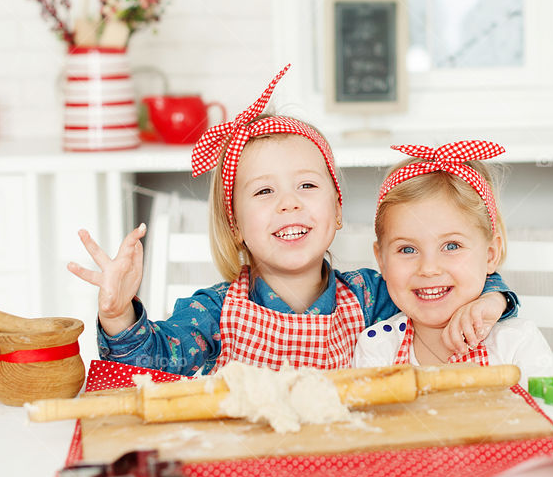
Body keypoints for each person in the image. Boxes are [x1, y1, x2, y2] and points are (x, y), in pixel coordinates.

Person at [67, 66, 520, 376]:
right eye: (264, 191)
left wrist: (492, 301)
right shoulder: (214, 311)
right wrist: (118, 314)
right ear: (236, 226)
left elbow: (445, 283)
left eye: (306, 186)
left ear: (338, 210)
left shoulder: (371, 296)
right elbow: (151, 365)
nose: (289, 204)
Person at [353, 141, 552, 382]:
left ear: (490, 255)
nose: (428, 268)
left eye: (451, 246)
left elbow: (542, 415)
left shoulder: (517, 343)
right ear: (381, 261)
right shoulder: (377, 348)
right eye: (407, 249)